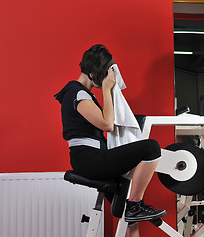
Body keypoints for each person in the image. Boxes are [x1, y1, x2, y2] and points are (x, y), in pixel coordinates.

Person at [54, 44, 166, 236]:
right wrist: (106, 89)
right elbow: (107, 124)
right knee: (152, 147)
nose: (108, 78)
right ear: (93, 73)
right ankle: (135, 205)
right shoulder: (77, 93)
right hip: (88, 159)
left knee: (128, 217)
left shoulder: (83, 94)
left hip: (94, 156)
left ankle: (134, 208)